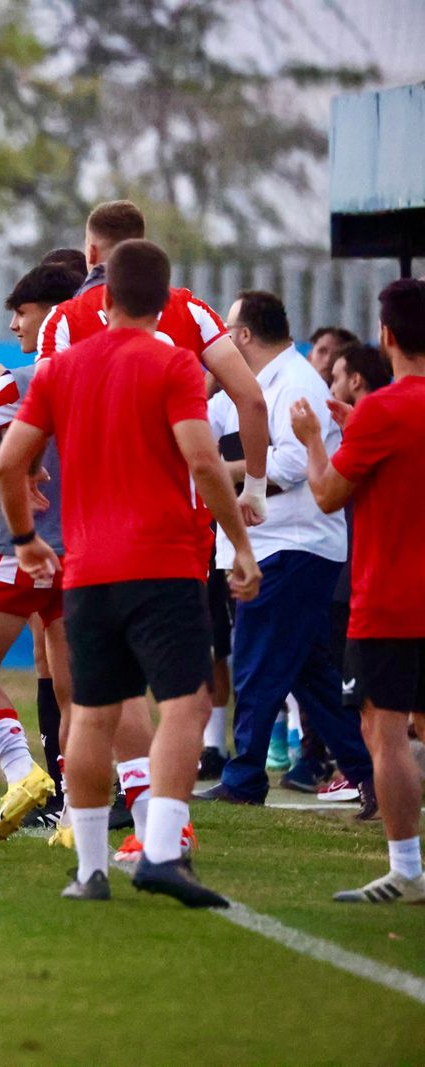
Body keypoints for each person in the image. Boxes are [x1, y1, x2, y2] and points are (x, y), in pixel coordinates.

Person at [0, 239, 261, 907]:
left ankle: (90, 869)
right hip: (163, 560)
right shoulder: (173, 363)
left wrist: (26, 538)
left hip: (86, 567)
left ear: (104, 297)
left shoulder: (61, 368)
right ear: (167, 297)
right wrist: (241, 543)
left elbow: (7, 466)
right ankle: (163, 849)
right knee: (185, 703)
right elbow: (203, 461)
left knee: (91, 712)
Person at [193, 291, 373, 812]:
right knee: (310, 675)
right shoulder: (245, 386)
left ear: (246, 335)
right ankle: (369, 774)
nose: (222, 339)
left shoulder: (296, 383)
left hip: (293, 547)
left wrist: (219, 475)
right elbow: (203, 423)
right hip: (270, 547)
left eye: (229, 330)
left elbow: (293, 465)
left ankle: (245, 774)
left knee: (254, 659)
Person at [294, 278, 425, 904]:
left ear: (387, 336)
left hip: (392, 599)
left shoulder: (385, 410)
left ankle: (406, 868)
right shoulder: (381, 416)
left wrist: (318, 440)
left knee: (385, 731)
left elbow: (326, 493)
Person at [0, 263, 84, 846]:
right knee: (74, 689)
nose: (13, 323)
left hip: (19, 549)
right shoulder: (104, 378)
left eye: (22, 312)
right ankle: (81, 814)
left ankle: (20, 771)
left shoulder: (22, 382)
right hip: (84, 553)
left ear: (54, 313)